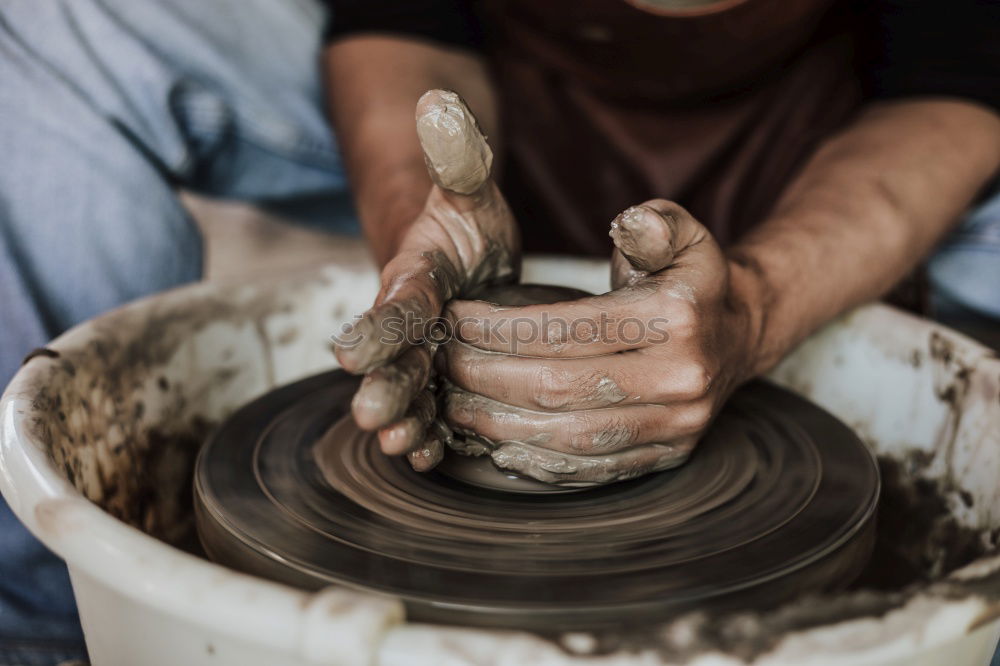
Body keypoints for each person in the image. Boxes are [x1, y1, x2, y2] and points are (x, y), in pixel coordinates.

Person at [0, 0, 996, 662]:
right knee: (60, 23)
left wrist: (762, 301)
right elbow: (400, 11)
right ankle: (53, 625)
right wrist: (416, 217)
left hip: (852, 135)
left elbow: (961, 65)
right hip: (503, 94)